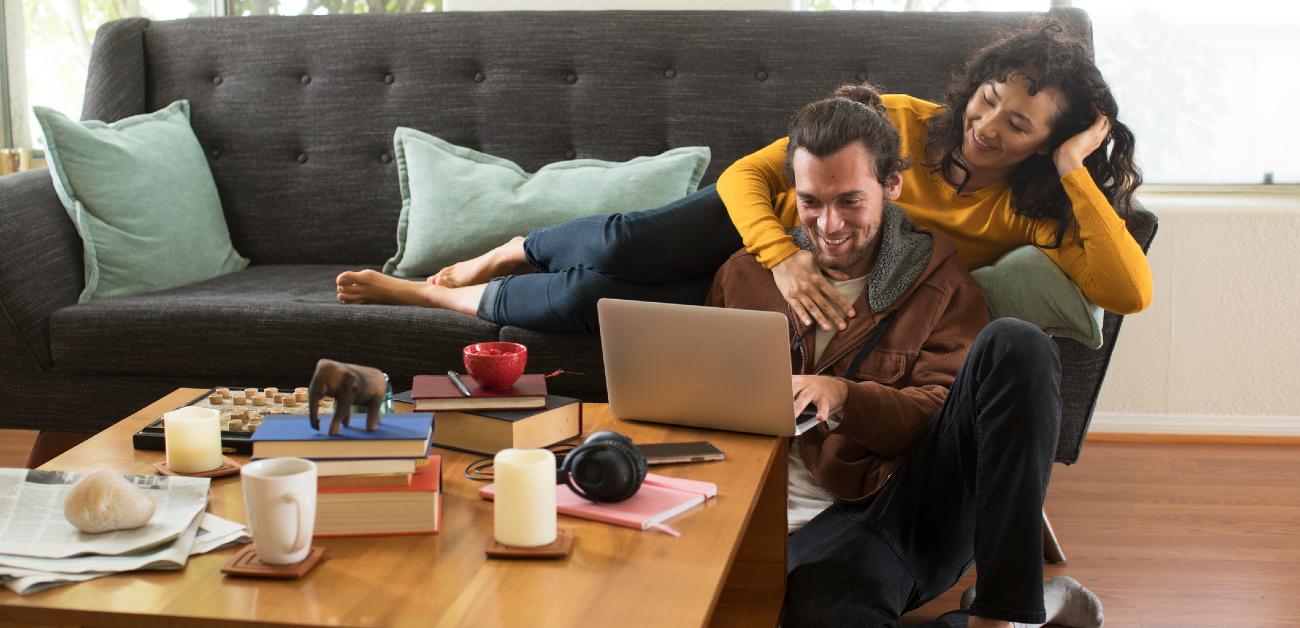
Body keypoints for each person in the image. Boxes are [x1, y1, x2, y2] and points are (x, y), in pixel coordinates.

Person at [337, 23, 1150, 338]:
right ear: (973, 84)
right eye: (987, 99)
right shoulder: (897, 121)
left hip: (806, 274)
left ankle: (438, 298)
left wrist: (1076, 173)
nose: (987, 124)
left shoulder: (1034, 210)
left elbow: (1127, 291)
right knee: (631, 240)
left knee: (599, 301)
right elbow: (750, 176)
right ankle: (512, 247)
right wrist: (780, 252)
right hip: (766, 227)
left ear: (1047, 142)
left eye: (1019, 124)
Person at [706, 90, 1102, 628]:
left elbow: (940, 411)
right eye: (811, 202)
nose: (828, 226)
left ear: (891, 185)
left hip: (899, 507)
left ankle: (1002, 614)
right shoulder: (745, 275)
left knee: (1018, 342)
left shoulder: (940, 279)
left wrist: (847, 398)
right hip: (794, 536)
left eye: (850, 201)